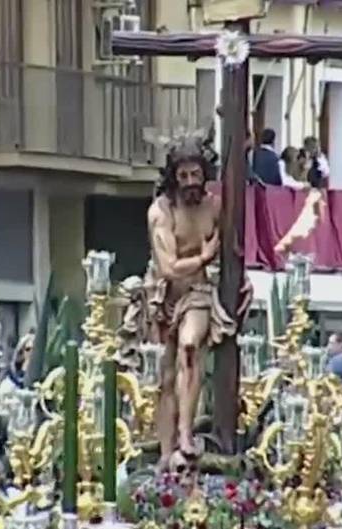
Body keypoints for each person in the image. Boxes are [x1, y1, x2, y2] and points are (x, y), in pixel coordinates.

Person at [143, 134, 252, 469]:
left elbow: (233, 249)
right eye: (183, 175)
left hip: (199, 293)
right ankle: (166, 452)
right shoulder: (161, 212)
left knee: (190, 347)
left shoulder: (214, 206)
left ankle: (187, 433)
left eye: (196, 174)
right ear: (173, 177)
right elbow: (168, 267)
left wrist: (240, 280)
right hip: (163, 296)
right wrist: (204, 256)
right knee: (165, 377)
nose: (191, 182)